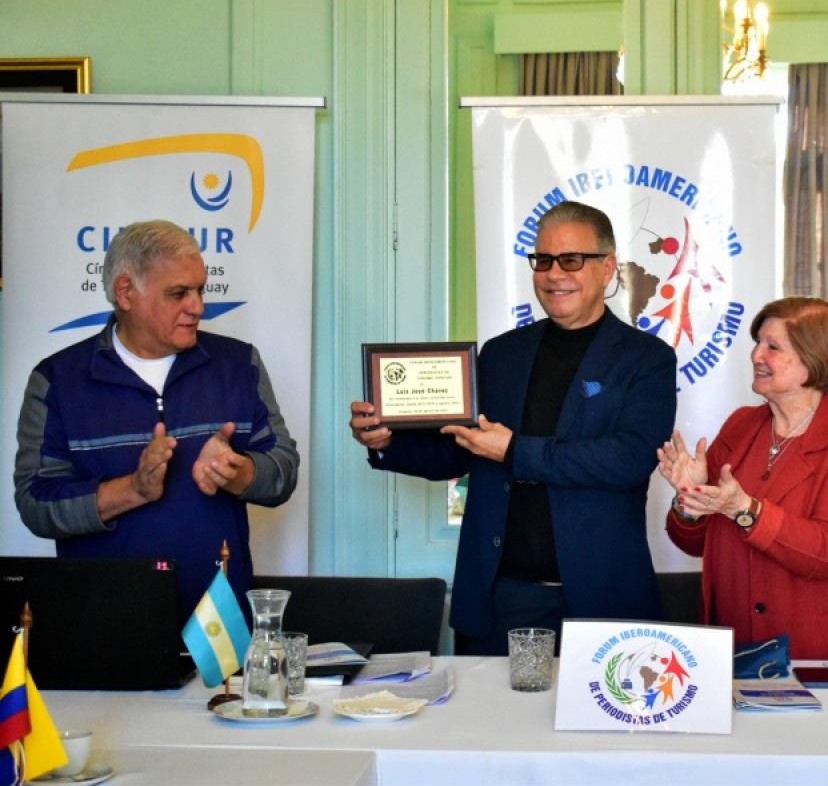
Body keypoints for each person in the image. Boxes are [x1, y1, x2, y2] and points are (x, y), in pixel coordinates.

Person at [349, 201, 677, 655]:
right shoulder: (502, 354)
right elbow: (459, 450)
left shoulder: (647, 359)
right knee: (487, 727)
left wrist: (514, 450)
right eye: (542, 260)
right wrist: (387, 442)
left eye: (570, 260)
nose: (553, 273)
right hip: (502, 598)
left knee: (602, 726)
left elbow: (629, 459)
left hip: (601, 600)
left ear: (606, 269)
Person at [14, 220, 300, 624]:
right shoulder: (57, 380)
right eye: (179, 293)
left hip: (219, 628)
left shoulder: (239, 364)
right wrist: (133, 489)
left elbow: (284, 469)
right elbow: (35, 503)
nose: (198, 306)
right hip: (103, 624)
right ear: (126, 292)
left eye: (200, 290)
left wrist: (237, 473)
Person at [657, 296, 828, 661]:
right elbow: (697, 542)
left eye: (773, 347)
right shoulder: (741, 425)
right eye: (757, 344)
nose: (755, 356)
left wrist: (745, 509)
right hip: (732, 644)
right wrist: (691, 499)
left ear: (815, 357)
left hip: (820, 652)